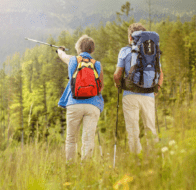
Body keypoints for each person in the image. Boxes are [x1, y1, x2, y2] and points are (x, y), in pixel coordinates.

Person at [113, 23, 164, 155]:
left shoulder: (124, 51)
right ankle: (154, 159)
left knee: (133, 130)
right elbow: (160, 73)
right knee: (150, 128)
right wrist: (156, 88)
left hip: (130, 95)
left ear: (130, 37)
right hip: (149, 95)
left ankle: (137, 161)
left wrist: (118, 85)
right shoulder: (152, 50)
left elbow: (117, 75)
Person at [57, 35, 104, 162]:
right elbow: (100, 87)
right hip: (93, 105)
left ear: (78, 48)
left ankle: (70, 166)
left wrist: (60, 50)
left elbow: (63, 56)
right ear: (92, 50)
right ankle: (86, 168)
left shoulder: (73, 60)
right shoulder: (97, 64)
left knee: (71, 138)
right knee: (88, 139)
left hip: (74, 104)